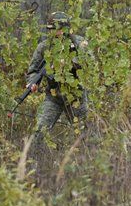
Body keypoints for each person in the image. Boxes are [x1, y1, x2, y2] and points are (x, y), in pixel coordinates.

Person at [24, 11, 88, 147]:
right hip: (54, 97)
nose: (55, 33)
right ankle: (33, 157)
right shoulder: (44, 47)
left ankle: (87, 159)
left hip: (76, 97)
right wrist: (32, 83)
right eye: (51, 29)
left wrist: (69, 63)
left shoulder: (79, 43)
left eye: (58, 29)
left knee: (84, 135)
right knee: (38, 132)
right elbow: (33, 70)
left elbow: (88, 62)